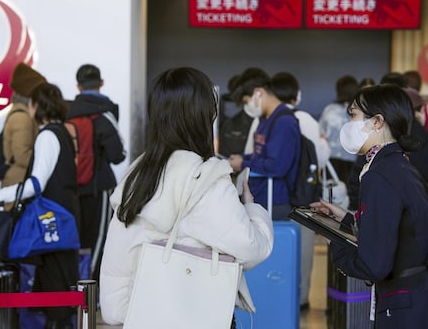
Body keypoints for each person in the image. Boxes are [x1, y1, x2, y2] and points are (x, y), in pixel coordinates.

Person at [99, 67, 274, 326]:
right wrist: (252, 208)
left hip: (140, 317)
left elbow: (116, 272)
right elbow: (251, 248)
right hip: (195, 316)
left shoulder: (137, 175)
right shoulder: (205, 178)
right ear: (202, 117)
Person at [311, 84, 428, 328]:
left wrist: (335, 239)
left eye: (353, 115)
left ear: (377, 122)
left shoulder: (379, 175)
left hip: (411, 312)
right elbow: (400, 228)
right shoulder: (399, 166)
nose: (348, 123)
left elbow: (374, 265)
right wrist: (346, 220)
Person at [0, 82, 80, 329]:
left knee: (54, 283)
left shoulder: (47, 135)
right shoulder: (63, 133)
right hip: (64, 216)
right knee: (61, 282)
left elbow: (36, 184)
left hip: (50, 219)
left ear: (35, 106)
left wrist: (0, 195)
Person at [270, 71, 327, 310]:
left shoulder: (267, 119)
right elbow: (321, 158)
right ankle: (301, 296)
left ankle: (274, 291)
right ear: (297, 95)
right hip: (303, 196)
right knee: (303, 246)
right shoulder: (308, 120)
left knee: (275, 246)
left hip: (275, 199)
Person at [66, 63, 126, 281]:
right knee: (98, 240)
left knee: (75, 238)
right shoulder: (105, 114)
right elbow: (117, 155)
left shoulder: (67, 113)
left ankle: (73, 288)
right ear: (101, 83)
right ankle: (90, 292)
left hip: (70, 188)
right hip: (98, 188)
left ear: (78, 86)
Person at [228, 70, 301, 220]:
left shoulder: (284, 122)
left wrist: (243, 164)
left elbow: (277, 166)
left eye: (246, 101)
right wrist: (242, 158)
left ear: (258, 93)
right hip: (260, 196)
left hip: (275, 201)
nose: (247, 107)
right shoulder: (265, 120)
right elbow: (261, 155)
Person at [1, 63, 42, 210]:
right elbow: (22, 154)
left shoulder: (23, 114)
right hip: (20, 181)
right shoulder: (22, 118)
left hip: (22, 181)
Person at [318, 75, 359, 183]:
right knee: (351, 194)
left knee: (331, 193)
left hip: (331, 158)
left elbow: (321, 134)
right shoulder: (360, 110)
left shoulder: (329, 110)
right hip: (353, 159)